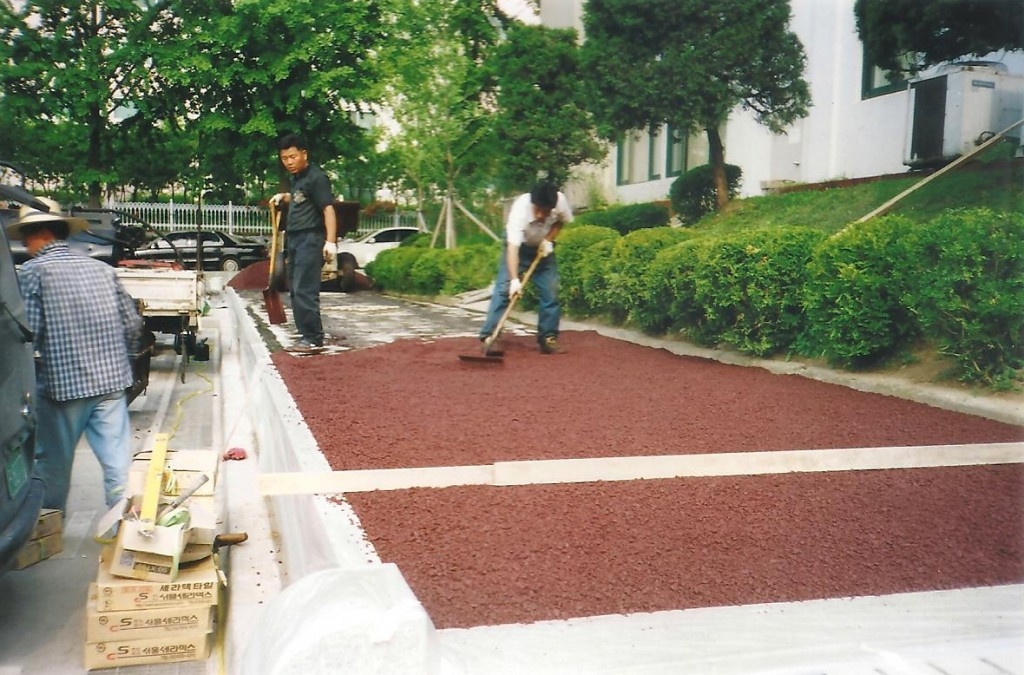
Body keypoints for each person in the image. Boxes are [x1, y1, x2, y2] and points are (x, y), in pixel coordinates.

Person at [8, 200, 143, 513]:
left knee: (52, 467)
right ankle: (127, 525)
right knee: (118, 464)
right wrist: (121, 361)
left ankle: (49, 528)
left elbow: (30, 334)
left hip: (64, 389)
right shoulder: (102, 269)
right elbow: (132, 324)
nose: (24, 245)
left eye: (26, 237)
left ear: (42, 233)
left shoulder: (33, 272)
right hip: (112, 382)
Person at [479, 181, 573, 354]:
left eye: (545, 211)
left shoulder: (559, 201)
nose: (540, 215)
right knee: (504, 289)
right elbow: (512, 249)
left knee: (551, 291)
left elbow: (561, 222)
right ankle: (490, 336)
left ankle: (548, 338)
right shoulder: (520, 211)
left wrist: (548, 240)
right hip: (519, 249)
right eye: (537, 209)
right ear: (532, 202)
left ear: (552, 207)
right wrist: (515, 280)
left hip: (543, 248)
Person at [270, 133, 338, 353]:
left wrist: (330, 241)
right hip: (295, 239)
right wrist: (284, 197)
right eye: (284, 158)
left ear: (304, 154)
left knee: (304, 289)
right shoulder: (297, 179)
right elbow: (301, 198)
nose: (289, 162)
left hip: (310, 239)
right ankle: (305, 335)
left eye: (292, 157)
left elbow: (328, 209)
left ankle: (313, 338)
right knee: (295, 289)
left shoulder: (317, 178)